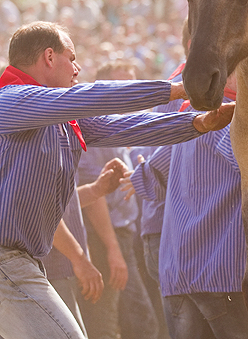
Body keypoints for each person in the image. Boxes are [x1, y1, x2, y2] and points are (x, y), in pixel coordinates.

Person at [0, 21, 233, 339]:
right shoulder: (10, 99)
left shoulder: (63, 114)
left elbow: (128, 126)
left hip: (20, 261)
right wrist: (177, 89)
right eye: (72, 57)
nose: (78, 67)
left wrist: (198, 122)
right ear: (50, 57)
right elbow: (90, 98)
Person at [126, 74, 248, 339]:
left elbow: (151, 177)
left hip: (177, 269)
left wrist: (132, 175)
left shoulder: (191, 117)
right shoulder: (230, 118)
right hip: (220, 269)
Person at [76, 61, 162, 339]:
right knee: (125, 321)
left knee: (128, 319)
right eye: (122, 85)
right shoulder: (95, 130)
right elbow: (93, 194)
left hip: (125, 237)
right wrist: (113, 249)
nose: (130, 92)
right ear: (104, 89)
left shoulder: (119, 131)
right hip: (106, 239)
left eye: (133, 84)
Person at [41, 161, 131, 338]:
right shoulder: (39, 138)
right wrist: (80, 260)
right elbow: (42, 209)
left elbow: (60, 204)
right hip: (48, 268)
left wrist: (95, 190)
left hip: (60, 267)